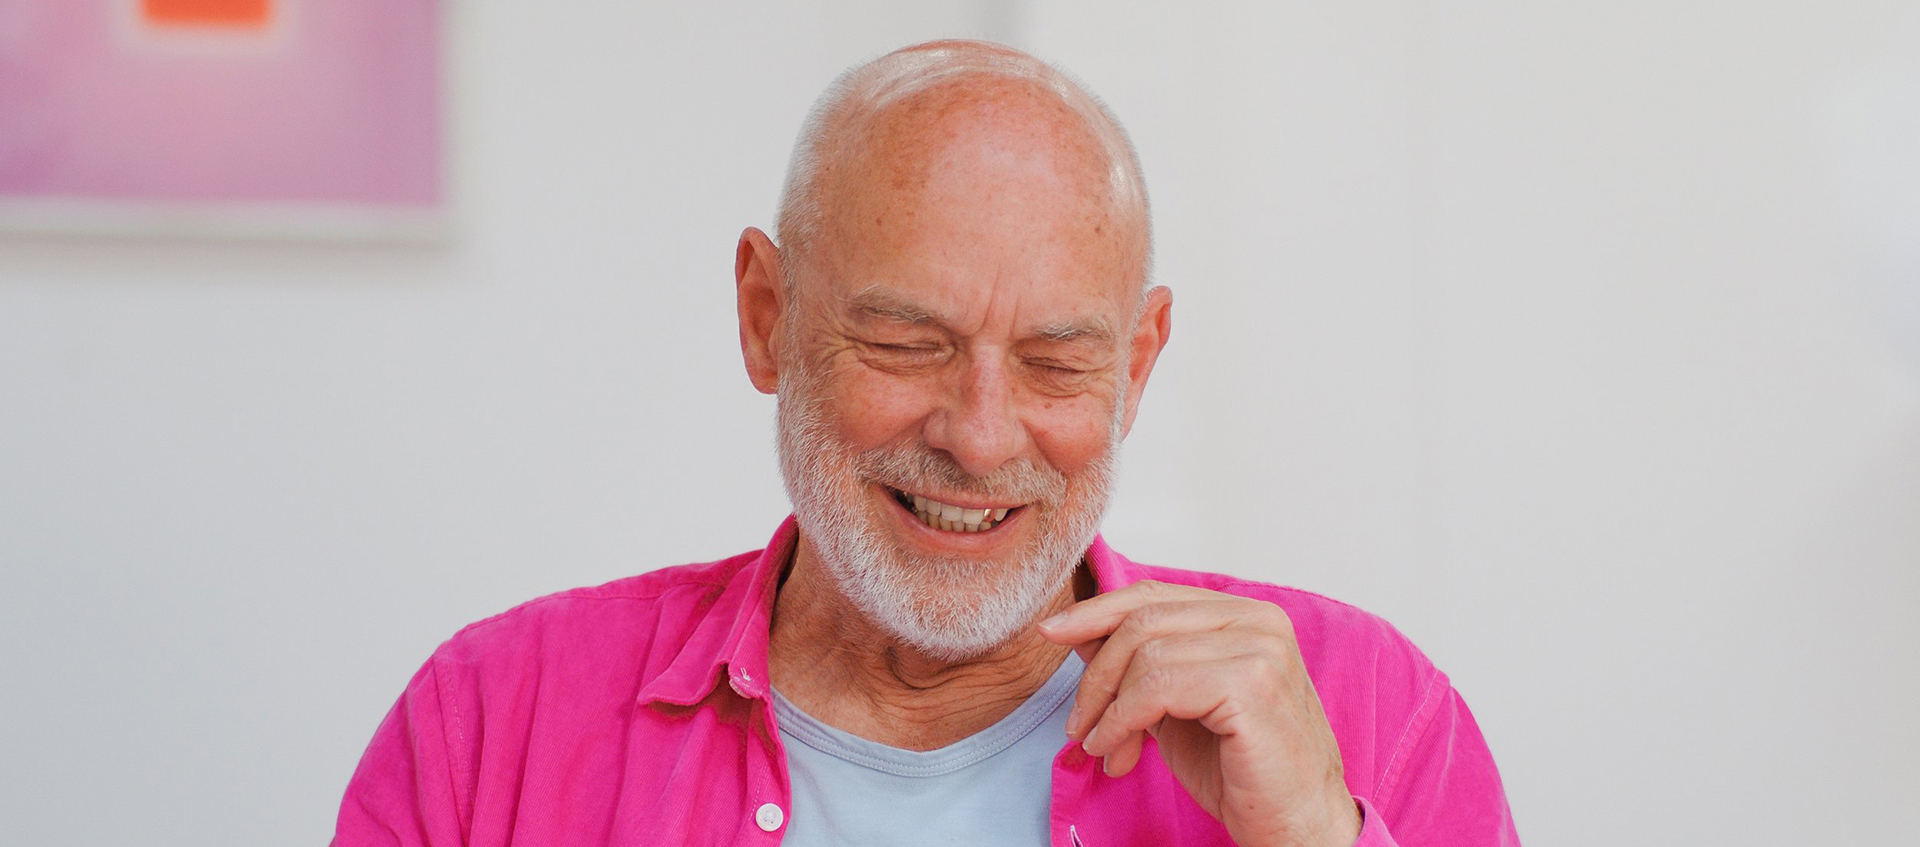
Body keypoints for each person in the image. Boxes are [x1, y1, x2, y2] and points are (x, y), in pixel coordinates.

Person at [332, 40, 1519, 847]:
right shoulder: (493, 722)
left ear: (1139, 365)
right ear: (767, 318)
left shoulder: (1365, 712)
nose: (981, 432)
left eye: (1056, 361)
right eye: (907, 343)